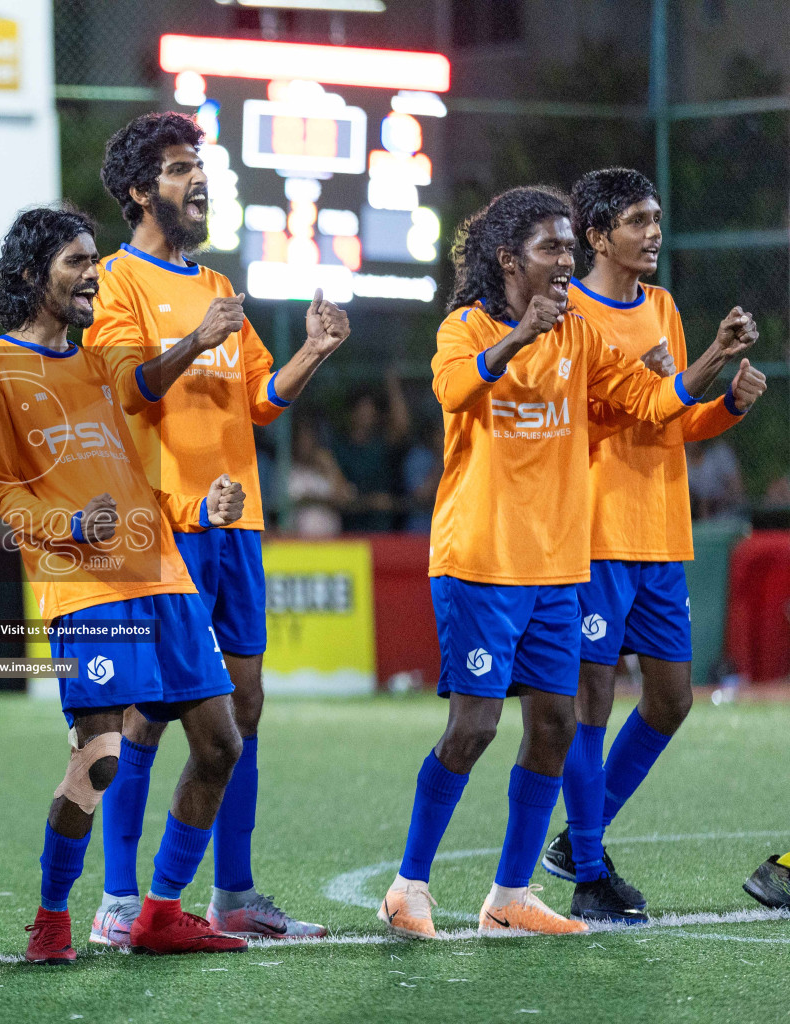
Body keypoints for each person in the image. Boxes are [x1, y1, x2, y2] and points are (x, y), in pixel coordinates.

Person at [377, 185, 755, 940]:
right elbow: (455, 388)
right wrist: (519, 337)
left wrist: (712, 359)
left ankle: (509, 896)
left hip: (556, 567)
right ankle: (408, 886)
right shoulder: (466, 327)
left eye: (567, 249)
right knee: (474, 728)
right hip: (480, 560)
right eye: (552, 248)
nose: (566, 262)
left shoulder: (578, 335)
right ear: (509, 257)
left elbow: (648, 404)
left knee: (553, 726)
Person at [81, 110, 347, 942]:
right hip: (159, 525)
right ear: (137, 190)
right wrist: (195, 340)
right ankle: (119, 900)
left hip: (236, 525)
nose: (197, 179)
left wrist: (313, 352)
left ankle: (236, 894)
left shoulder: (219, 287)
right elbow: (131, 388)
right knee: (149, 712)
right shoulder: (116, 282)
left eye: (198, 165)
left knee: (246, 706)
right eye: (175, 167)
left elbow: (261, 399)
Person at [0, 204, 251, 963]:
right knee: (99, 759)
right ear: (32, 275)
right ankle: (52, 918)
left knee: (221, 744)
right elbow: (2, 493)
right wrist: (70, 526)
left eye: (95, 260)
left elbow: (133, 480)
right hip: (86, 589)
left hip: (164, 575)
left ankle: (161, 911)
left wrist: (196, 507)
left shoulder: (101, 362)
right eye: (76, 262)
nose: (93, 273)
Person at [540, 168, 766, 924]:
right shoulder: (570, 312)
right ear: (598, 236)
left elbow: (670, 418)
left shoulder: (661, 306)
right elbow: (625, 410)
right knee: (591, 698)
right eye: (637, 221)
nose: (654, 233)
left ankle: (579, 839)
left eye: (657, 219)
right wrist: (705, 361)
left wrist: (726, 401)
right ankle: (591, 871)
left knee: (670, 701)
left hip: (662, 531)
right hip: (596, 530)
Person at [332, 375, 411, 532]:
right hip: (350, 530)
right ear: (351, 412)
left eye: (370, 408)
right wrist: (369, 502)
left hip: (383, 528)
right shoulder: (339, 448)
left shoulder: (382, 444)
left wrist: (392, 386)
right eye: (361, 408)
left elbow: (402, 427)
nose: (366, 413)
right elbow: (340, 495)